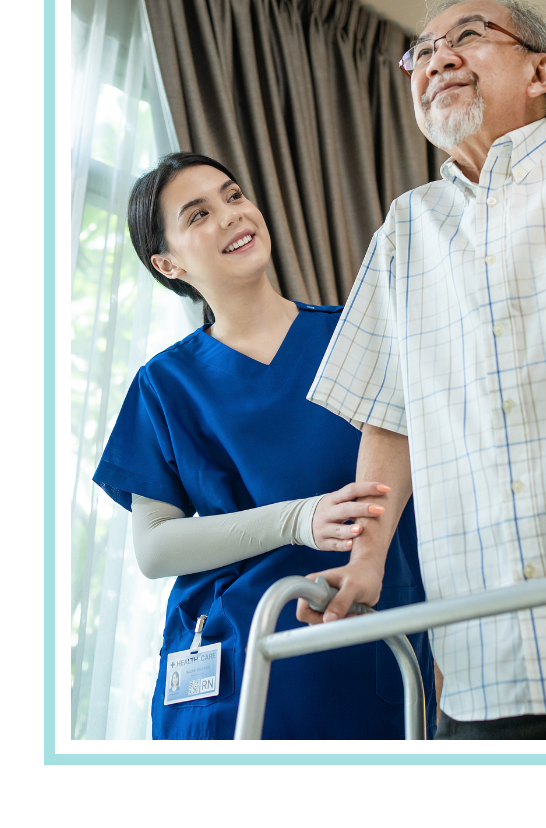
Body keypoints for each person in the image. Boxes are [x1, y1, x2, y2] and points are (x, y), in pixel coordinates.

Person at [298, 0, 546, 741]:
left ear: (539, 72)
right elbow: (389, 414)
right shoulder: (405, 231)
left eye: (466, 37)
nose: (435, 58)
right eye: (418, 53)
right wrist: (366, 560)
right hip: (486, 651)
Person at [92, 152, 436, 741]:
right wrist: (297, 520)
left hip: (364, 645)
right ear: (167, 263)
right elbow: (153, 549)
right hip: (233, 662)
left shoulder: (360, 337)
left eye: (233, 196)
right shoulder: (165, 384)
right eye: (198, 214)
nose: (231, 215)